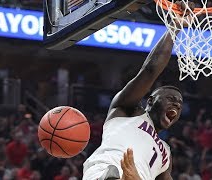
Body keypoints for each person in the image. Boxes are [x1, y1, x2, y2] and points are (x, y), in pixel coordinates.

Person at [82, 2, 194, 179]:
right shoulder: (127, 110)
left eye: (179, 104)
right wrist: (175, 27)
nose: (176, 104)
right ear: (150, 101)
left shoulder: (165, 153)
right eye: (170, 98)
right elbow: (150, 70)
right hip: (105, 172)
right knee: (112, 172)